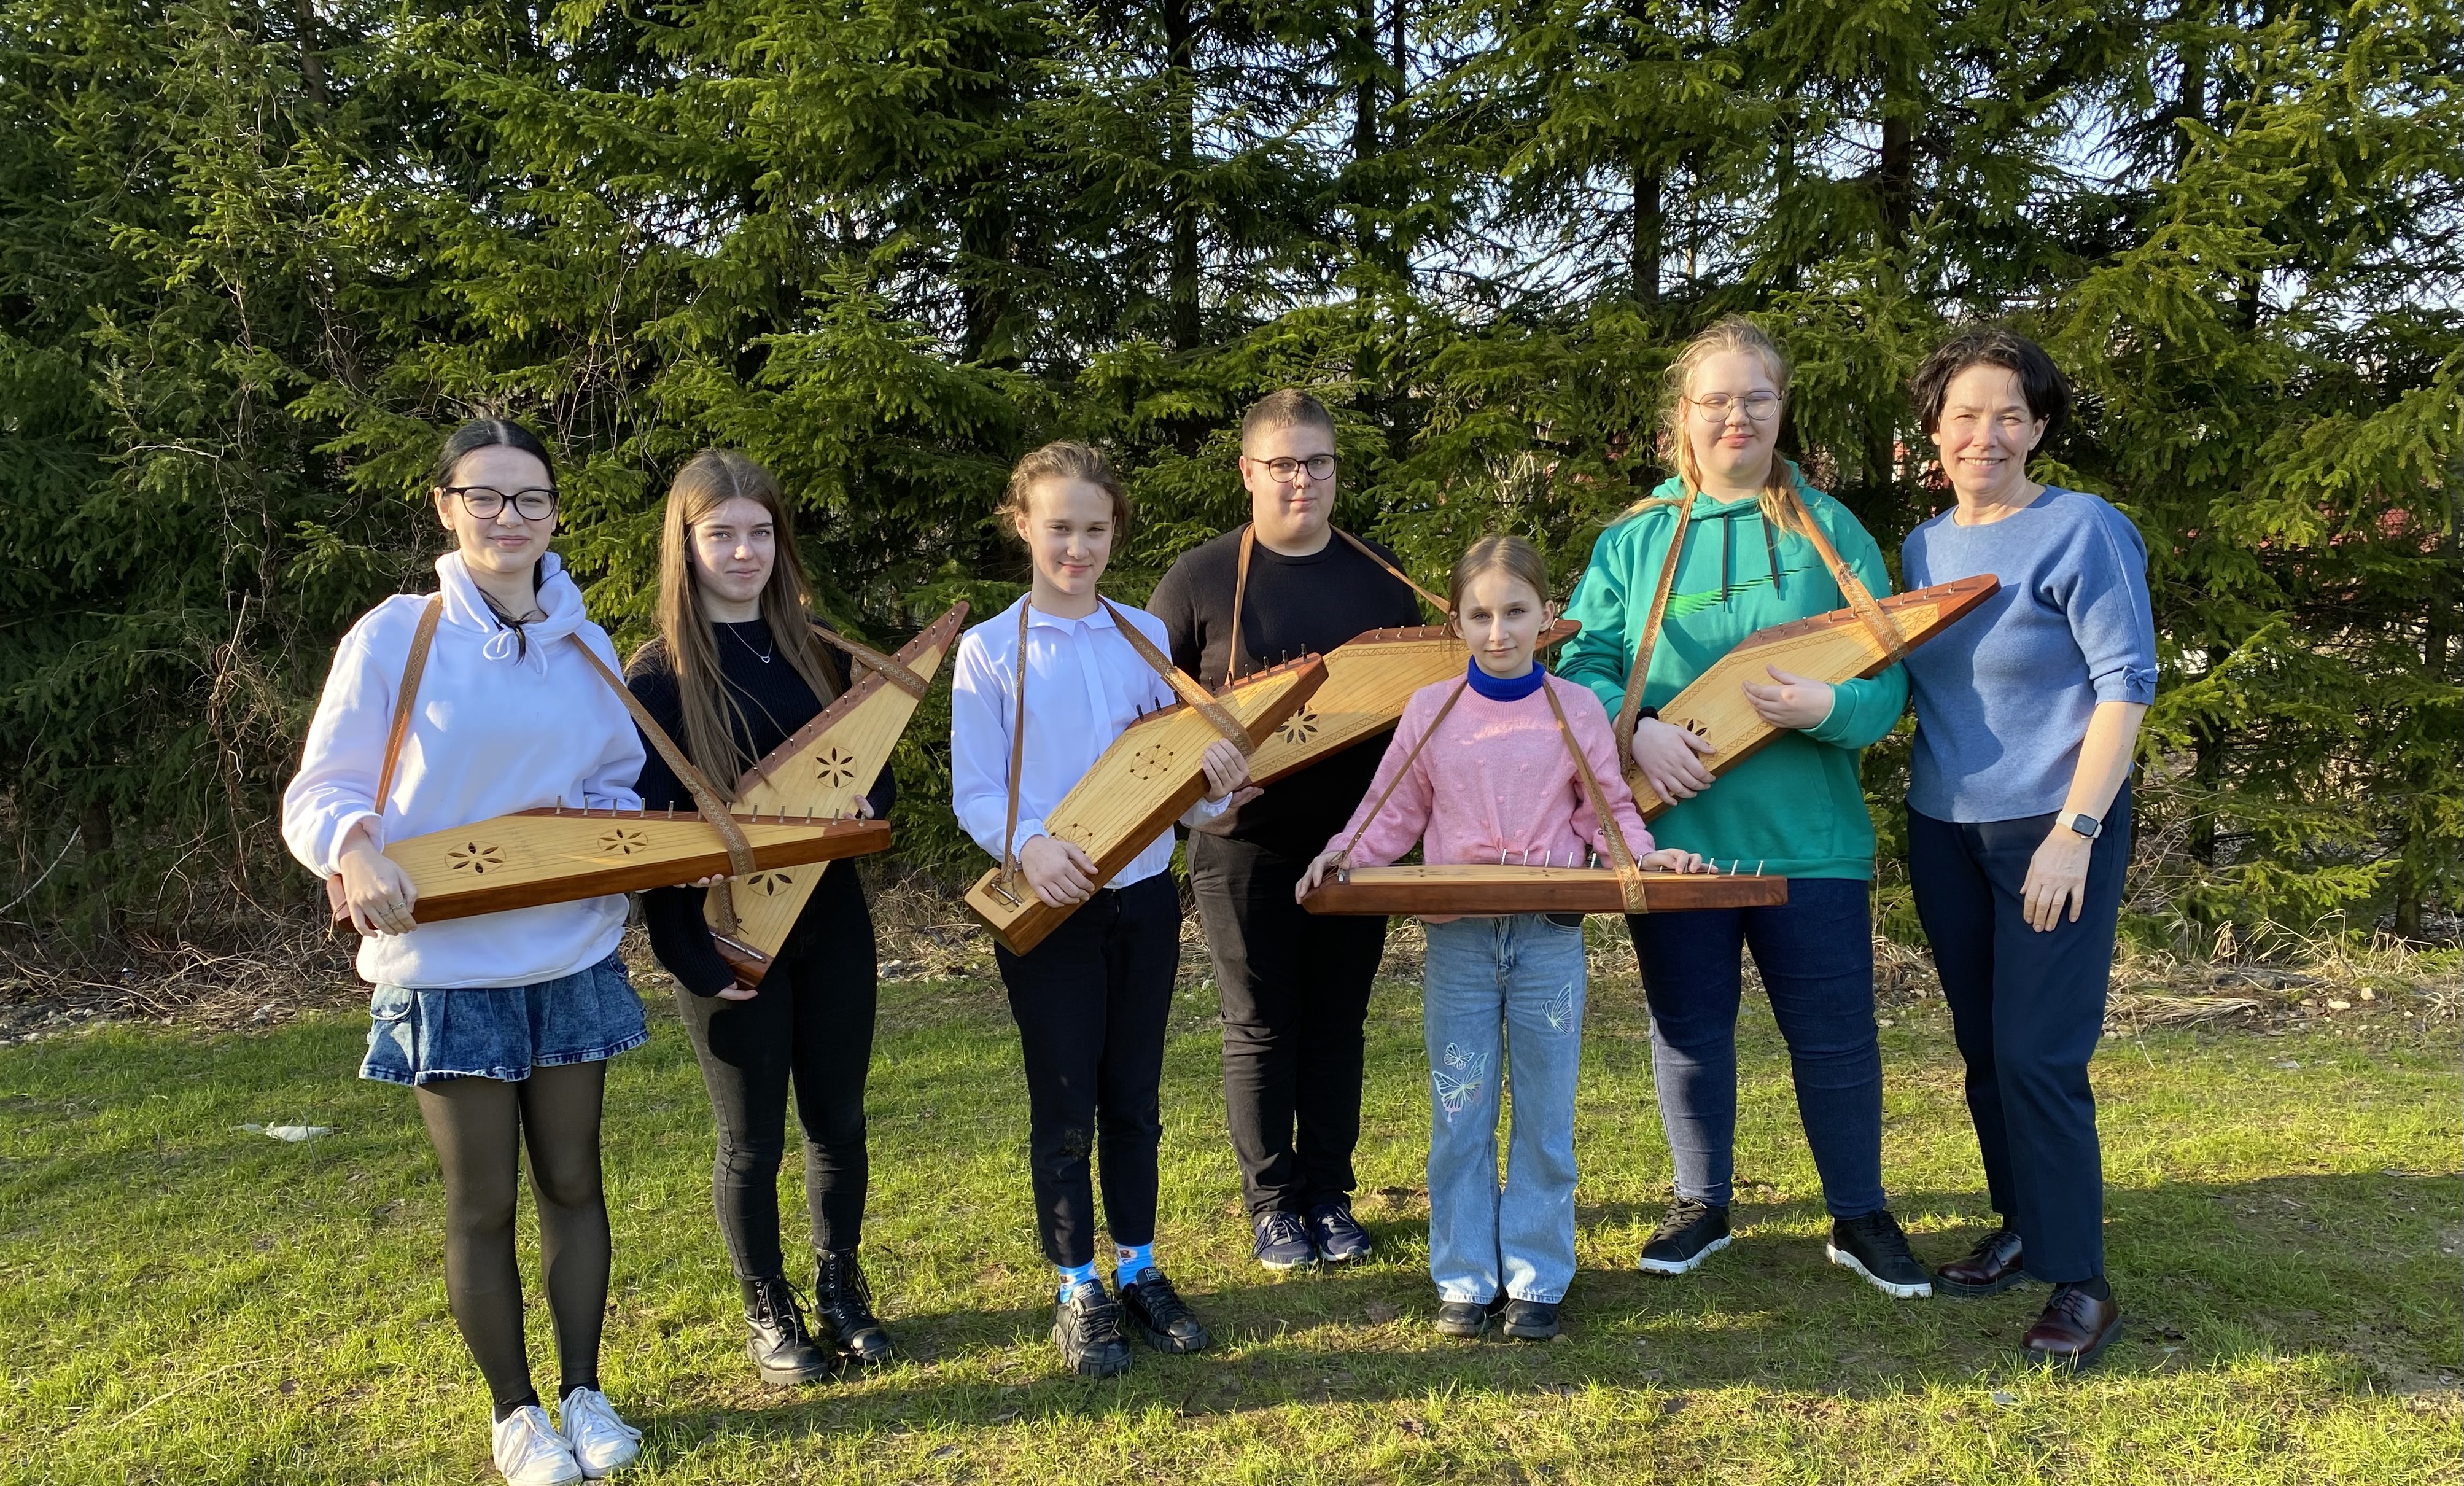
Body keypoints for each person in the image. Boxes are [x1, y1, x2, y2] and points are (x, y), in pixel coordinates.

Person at [282, 419, 646, 1486]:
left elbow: (614, 785)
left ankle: (583, 1394)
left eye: (529, 498)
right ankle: (516, 1415)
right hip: (447, 970)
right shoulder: (397, 635)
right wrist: (355, 852)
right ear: (446, 508)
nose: (507, 517)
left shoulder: (586, 644)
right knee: (481, 1203)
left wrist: (614, 847)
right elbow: (324, 788)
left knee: (574, 1182)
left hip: (568, 957)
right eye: (484, 497)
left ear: (555, 514)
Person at [1557, 317, 1932, 1298]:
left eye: (1755, 398)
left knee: (1835, 1036)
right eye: (1716, 400)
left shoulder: (1829, 531)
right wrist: (1632, 729)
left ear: (1779, 408)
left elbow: (1889, 684)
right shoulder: (1632, 540)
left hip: (1810, 841)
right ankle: (1700, 1204)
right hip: (1676, 843)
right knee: (1687, 1027)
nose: (1736, 417)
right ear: (1682, 415)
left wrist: (1828, 708)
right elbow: (1580, 667)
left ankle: (1859, 1215)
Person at [1298, 535, 1703, 1340]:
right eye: (1479, 615)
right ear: (1455, 622)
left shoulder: (1575, 709)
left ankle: (1536, 1277)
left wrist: (1646, 858)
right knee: (1460, 1111)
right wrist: (1343, 852)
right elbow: (1391, 809)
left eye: (1515, 612)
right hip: (1460, 942)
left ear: (1546, 616)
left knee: (1545, 1117)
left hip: (1548, 940)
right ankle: (1464, 1277)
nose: (1497, 631)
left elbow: (1606, 810)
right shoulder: (1432, 710)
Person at [948, 440, 1251, 1377]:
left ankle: (1139, 1267)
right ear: (1022, 527)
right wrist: (1029, 845)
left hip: (1144, 903)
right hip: (1051, 911)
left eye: (1093, 529)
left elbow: (1173, 780)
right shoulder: (990, 649)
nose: (1076, 548)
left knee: (1134, 1100)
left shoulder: (1144, 637)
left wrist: (1215, 791)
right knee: (1065, 1107)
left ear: (1115, 530)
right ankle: (1076, 1285)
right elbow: (975, 788)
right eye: (1058, 529)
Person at [1900, 327, 2155, 1369]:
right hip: (1943, 828)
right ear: (1934, 430)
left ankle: (2081, 1282)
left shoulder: (2081, 529)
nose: (1986, 434)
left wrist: (2073, 833)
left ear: (2039, 428)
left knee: (2037, 1054)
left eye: (2009, 414)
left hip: (2054, 828)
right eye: (1964, 414)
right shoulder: (1921, 549)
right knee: (1983, 1047)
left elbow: (2124, 686)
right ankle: (2019, 1227)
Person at [624, 450, 897, 1386]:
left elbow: (875, 781)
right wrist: (688, 955)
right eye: (721, 535)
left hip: (833, 925)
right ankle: (766, 1307)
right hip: (725, 941)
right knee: (752, 1141)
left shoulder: (818, 651)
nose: (744, 553)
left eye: (760, 533)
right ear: (685, 544)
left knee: (838, 1121)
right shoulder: (658, 676)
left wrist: (864, 805)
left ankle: (839, 1289)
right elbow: (648, 836)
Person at [1147, 389, 1429, 1272]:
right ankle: (1272, 1204)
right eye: (1282, 464)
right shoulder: (1198, 580)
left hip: (1357, 842)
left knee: (1338, 1021)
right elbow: (1152, 717)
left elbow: (1417, 707)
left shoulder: (1380, 576)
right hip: (1242, 844)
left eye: (1317, 463)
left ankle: (1330, 1196)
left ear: (1336, 470)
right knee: (1261, 1023)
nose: (1301, 480)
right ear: (1247, 472)